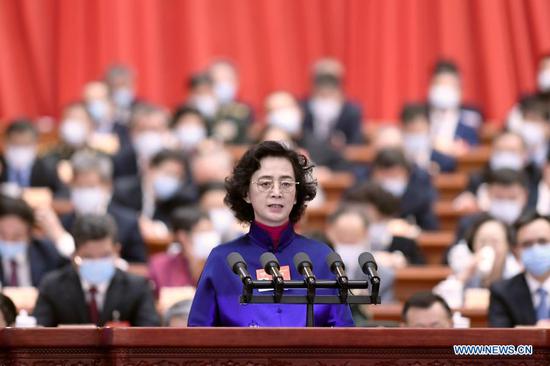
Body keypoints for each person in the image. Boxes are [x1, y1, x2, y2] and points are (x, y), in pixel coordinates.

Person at [187, 141, 354, 326]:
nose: (276, 192)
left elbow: (344, 335)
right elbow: (198, 336)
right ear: (246, 193)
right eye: (265, 183)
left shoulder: (322, 257)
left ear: (297, 194)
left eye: (286, 183)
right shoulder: (222, 260)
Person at [33, 214, 160, 327]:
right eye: (88, 257)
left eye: (105, 256)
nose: (97, 262)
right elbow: (38, 335)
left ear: (117, 251)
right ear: (74, 255)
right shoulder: (52, 286)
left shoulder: (138, 288)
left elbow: (149, 337)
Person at [61, 150, 147, 264]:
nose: (84, 193)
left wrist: (118, 265)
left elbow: (142, 268)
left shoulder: (127, 223)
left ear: (108, 185)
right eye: (79, 187)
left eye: (90, 186)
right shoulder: (64, 223)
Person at [488, 211, 550, 327]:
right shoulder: (502, 292)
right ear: (516, 251)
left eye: (543, 241)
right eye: (527, 244)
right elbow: (501, 340)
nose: (536, 249)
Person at [148, 207, 220, 294]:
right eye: (203, 231)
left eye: (211, 231)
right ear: (183, 237)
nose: (210, 237)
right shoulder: (160, 266)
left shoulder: (225, 266)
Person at [0, 195, 68, 287]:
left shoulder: (46, 252)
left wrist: (60, 237)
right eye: (2, 235)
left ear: (29, 236)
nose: (9, 241)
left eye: (17, 236)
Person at [368, 148, 439, 230]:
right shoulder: (364, 197)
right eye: (384, 174)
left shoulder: (420, 199)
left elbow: (430, 229)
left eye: (394, 174)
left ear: (406, 173)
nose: (389, 179)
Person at [302, 58, 364, 145]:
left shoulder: (351, 110)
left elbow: (356, 141)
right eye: (322, 79)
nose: (326, 85)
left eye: (331, 80)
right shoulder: (302, 107)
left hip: (340, 156)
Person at [427, 60, 483, 157]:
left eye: (449, 86)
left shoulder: (472, 116)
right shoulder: (419, 114)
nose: (444, 91)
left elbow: (474, 146)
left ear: (460, 90)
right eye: (440, 85)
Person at [0, 119, 65, 196]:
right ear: (5, 143)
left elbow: (63, 194)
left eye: (25, 144)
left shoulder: (47, 168)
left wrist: (44, 197)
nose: (20, 150)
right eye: (15, 144)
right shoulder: (1, 164)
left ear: (36, 144)